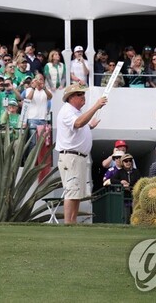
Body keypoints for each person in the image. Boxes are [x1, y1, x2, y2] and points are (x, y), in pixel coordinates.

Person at [55, 83, 106, 224]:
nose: (83, 96)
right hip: (71, 156)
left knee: (77, 193)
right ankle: (68, 223)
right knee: (72, 192)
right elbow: (77, 124)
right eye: (79, 94)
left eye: (83, 93)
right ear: (70, 98)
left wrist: (90, 125)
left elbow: (79, 127)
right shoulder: (67, 111)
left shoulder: (75, 112)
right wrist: (96, 106)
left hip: (78, 157)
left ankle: (72, 222)